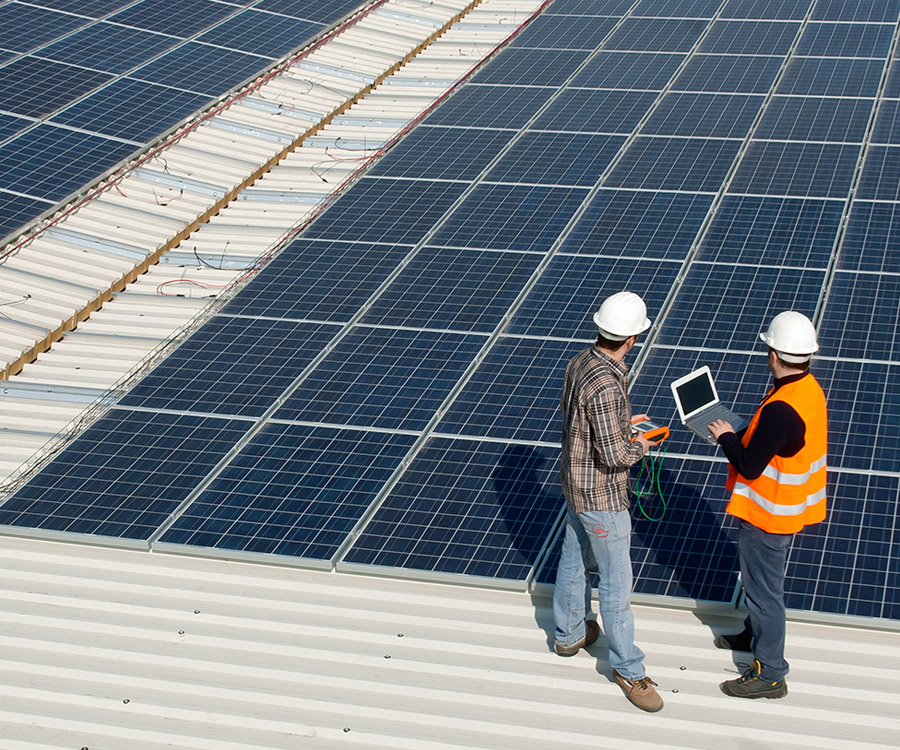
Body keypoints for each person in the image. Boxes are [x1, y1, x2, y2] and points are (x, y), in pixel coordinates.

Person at [707, 310, 828, 700]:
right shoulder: (807, 389)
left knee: (763, 593)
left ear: (774, 354)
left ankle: (771, 672)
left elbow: (749, 464)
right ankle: (752, 636)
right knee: (760, 587)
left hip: (768, 514)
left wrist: (726, 436)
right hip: (785, 508)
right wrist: (742, 431)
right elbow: (777, 442)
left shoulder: (781, 408)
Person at [553, 291, 663, 713]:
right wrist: (642, 444)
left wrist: (621, 426)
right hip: (601, 495)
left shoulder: (581, 361)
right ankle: (629, 670)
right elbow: (615, 456)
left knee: (573, 558)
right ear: (633, 337)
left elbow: (578, 417)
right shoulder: (606, 385)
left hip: (574, 483)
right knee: (616, 583)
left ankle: (569, 634)